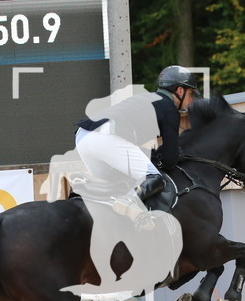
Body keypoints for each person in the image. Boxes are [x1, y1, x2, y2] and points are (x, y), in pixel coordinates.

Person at [74, 65, 201, 206]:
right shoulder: (170, 110)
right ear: (180, 91)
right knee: (154, 177)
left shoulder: (145, 97)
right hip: (107, 138)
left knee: (113, 185)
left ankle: (84, 185)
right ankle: (127, 202)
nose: (191, 100)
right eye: (190, 94)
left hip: (83, 136)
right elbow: (170, 160)